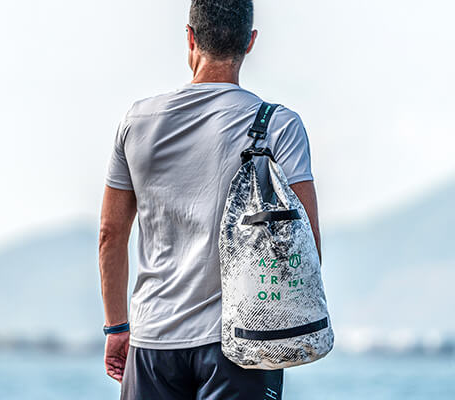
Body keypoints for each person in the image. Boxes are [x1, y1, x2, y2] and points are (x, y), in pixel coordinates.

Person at [98, 1, 322, 398]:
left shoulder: (137, 122)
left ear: (190, 37)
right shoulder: (279, 126)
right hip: (242, 345)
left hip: (152, 342)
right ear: (250, 42)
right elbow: (306, 248)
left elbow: (110, 234)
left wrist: (117, 327)